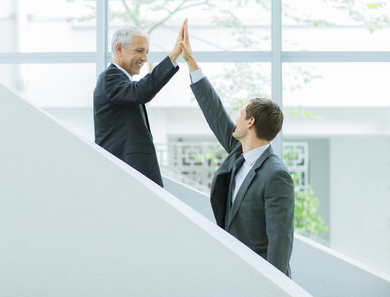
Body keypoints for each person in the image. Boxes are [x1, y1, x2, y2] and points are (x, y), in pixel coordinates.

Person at [179, 20, 295, 276]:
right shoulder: (238, 152)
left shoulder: (276, 175)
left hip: (259, 280)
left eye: (241, 114)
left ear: (250, 122)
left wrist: (273, 289)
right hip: (233, 272)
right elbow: (215, 113)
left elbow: (280, 242)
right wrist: (191, 63)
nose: (236, 119)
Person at [93, 22, 185, 187]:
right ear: (119, 49)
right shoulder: (110, 78)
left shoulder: (121, 82)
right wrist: (173, 56)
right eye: (139, 51)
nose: (144, 58)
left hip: (128, 172)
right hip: (124, 172)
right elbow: (141, 92)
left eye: (147, 52)